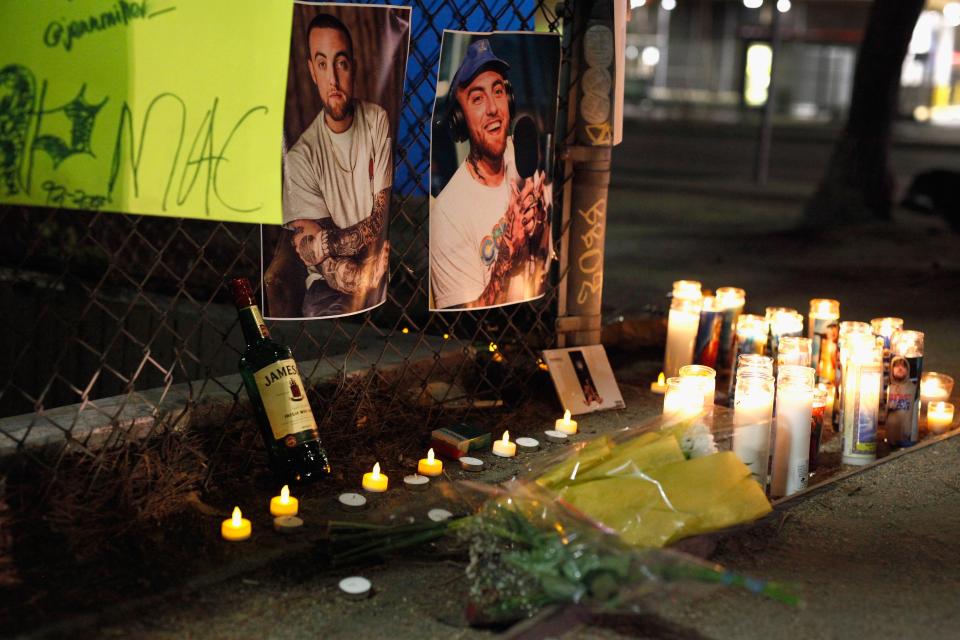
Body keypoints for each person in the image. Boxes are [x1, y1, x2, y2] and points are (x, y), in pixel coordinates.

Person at [282, 13, 392, 317]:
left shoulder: (375, 120)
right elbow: (318, 261)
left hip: (377, 263)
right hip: (330, 289)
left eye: (341, 63)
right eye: (322, 64)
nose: (333, 78)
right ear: (312, 72)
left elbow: (378, 220)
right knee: (318, 306)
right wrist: (365, 277)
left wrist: (326, 241)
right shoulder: (301, 157)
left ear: (353, 67)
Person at [430, 38, 549, 310]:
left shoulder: (526, 158)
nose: (493, 108)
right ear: (460, 117)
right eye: (477, 98)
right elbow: (465, 317)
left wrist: (540, 226)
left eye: (497, 92)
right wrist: (509, 251)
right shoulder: (449, 213)